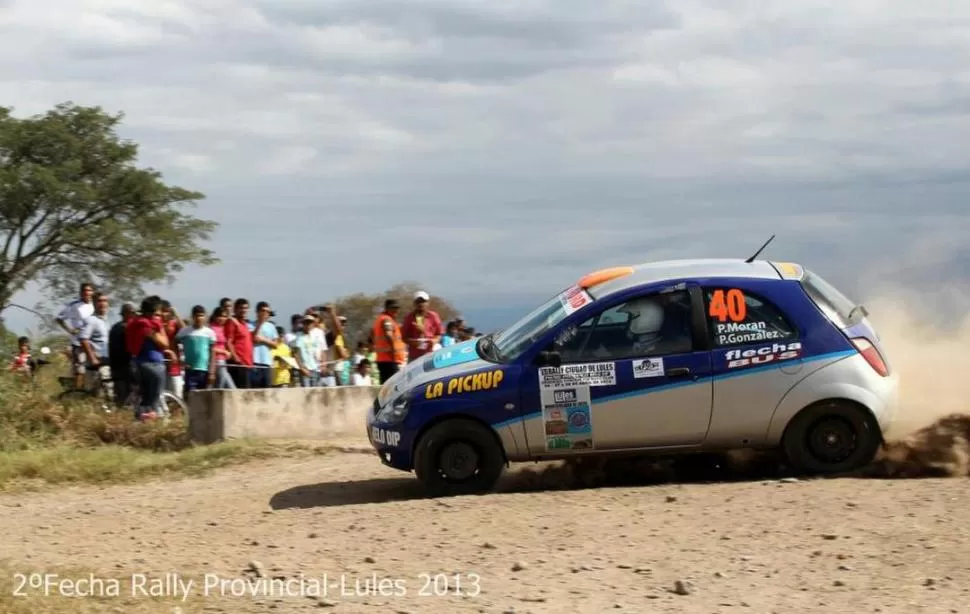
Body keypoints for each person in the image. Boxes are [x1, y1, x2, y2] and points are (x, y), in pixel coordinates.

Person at [126, 295, 170, 421]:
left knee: (146, 400)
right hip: (154, 365)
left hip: (139, 364)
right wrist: (160, 330)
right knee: (154, 401)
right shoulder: (148, 326)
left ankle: (140, 423)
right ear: (151, 313)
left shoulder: (136, 324)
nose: (160, 315)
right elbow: (165, 343)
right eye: (158, 313)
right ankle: (148, 424)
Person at [55, 281, 95, 390]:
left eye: (90, 290)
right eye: (85, 291)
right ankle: (76, 393)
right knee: (80, 369)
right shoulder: (74, 305)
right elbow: (59, 319)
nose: (87, 293)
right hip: (79, 343)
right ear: (81, 293)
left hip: (94, 343)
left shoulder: (95, 305)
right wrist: (70, 330)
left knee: (92, 369)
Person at [176, 305, 218, 395]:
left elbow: (213, 352)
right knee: (190, 396)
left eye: (201, 315)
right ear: (193, 317)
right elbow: (174, 343)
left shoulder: (210, 333)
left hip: (204, 370)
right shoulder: (184, 331)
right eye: (197, 315)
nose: (199, 318)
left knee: (203, 397)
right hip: (190, 370)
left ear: (205, 317)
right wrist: (179, 359)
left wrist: (212, 372)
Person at [78, 292, 111, 395]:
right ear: (94, 303)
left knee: (108, 394)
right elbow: (83, 339)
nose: (102, 303)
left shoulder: (105, 322)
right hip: (96, 365)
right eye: (99, 301)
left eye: (105, 301)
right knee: (96, 395)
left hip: (106, 363)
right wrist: (92, 359)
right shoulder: (91, 320)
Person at [401, 291, 444, 363]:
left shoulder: (433, 316)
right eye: (418, 302)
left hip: (431, 354)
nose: (421, 304)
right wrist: (414, 342)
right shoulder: (409, 318)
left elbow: (439, 333)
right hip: (414, 356)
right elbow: (404, 337)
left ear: (428, 303)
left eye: (423, 301)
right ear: (414, 303)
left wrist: (434, 340)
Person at [108, 303, 137, 406]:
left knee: (120, 393)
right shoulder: (126, 327)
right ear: (126, 313)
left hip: (116, 365)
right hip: (125, 365)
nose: (134, 315)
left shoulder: (115, 327)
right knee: (128, 393)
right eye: (132, 313)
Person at [371, 298, 406, 383]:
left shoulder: (380, 319)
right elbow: (388, 334)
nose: (396, 310)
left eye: (397, 308)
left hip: (383, 359)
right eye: (393, 308)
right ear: (386, 308)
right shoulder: (387, 320)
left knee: (385, 387)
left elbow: (372, 334)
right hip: (390, 360)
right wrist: (394, 349)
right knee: (395, 386)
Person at [224, 298, 254, 388]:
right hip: (238, 363)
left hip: (247, 363)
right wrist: (235, 357)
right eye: (241, 308)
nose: (244, 310)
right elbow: (228, 341)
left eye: (246, 308)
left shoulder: (245, 324)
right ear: (235, 309)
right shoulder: (232, 322)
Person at [250, 301, 279, 388]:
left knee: (267, 389)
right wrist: (260, 324)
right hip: (254, 361)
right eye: (263, 311)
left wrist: (263, 340)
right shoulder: (250, 325)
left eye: (267, 311)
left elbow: (275, 344)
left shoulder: (271, 326)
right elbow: (253, 339)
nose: (265, 313)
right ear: (257, 312)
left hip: (267, 362)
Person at [291, 313, 323, 387]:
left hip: (315, 368)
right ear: (303, 324)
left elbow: (319, 351)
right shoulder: (299, 337)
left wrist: (320, 363)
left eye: (310, 323)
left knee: (315, 393)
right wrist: (302, 368)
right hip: (305, 369)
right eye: (306, 323)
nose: (308, 325)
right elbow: (295, 353)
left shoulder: (315, 337)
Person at [208, 306, 236, 389]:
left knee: (231, 388)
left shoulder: (223, 328)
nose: (222, 318)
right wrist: (224, 352)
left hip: (223, 361)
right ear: (215, 316)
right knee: (220, 387)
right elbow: (211, 348)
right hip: (216, 361)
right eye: (220, 316)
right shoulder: (211, 329)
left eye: (224, 316)